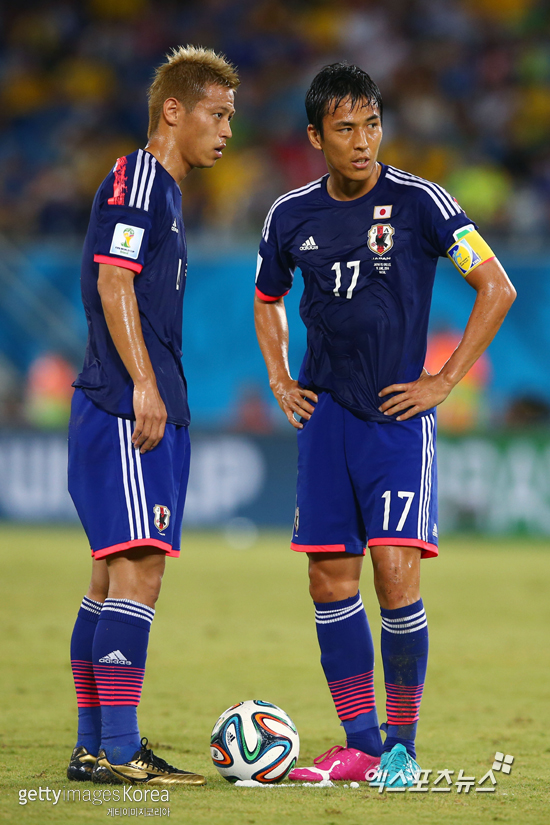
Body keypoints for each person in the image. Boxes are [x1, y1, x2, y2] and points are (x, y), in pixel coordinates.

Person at [254, 63, 515, 787]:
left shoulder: (422, 203)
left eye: (371, 124)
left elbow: (496, 286)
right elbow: (267, 297)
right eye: (345, 128)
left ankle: (401, 745)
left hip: (397, 421)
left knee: (396, 574)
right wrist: (278, 375)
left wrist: (443, 379)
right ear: (315, 136)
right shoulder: (289, 216)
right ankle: (360, 746)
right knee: (328, 580)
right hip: (324, 416)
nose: (363, 141)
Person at [67, 45, 238, 786]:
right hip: (124, 405)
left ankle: (93, 745)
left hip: (129, 399)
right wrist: (144, 384)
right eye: (217, 113)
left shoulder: (162, 190)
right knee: (139, 568)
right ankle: (117, 747)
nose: (227, 131)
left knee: (111, 574)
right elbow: (114, 281)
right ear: (174, 110)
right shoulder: (141, 177)